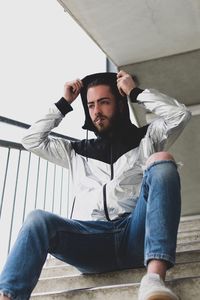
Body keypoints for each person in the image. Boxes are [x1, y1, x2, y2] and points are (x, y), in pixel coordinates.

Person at [0, 70, 191, 300]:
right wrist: (64, 103)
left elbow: (180, 115)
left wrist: (135, 92)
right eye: (90, 105)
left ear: (120, 104)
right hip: (92, 242)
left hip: (136, 234)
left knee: (161, 161)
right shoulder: (75, 151)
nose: (96, 112)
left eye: (104, 102)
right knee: (37, 219)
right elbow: (31, 140)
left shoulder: (147, 138)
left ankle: (153, 280)